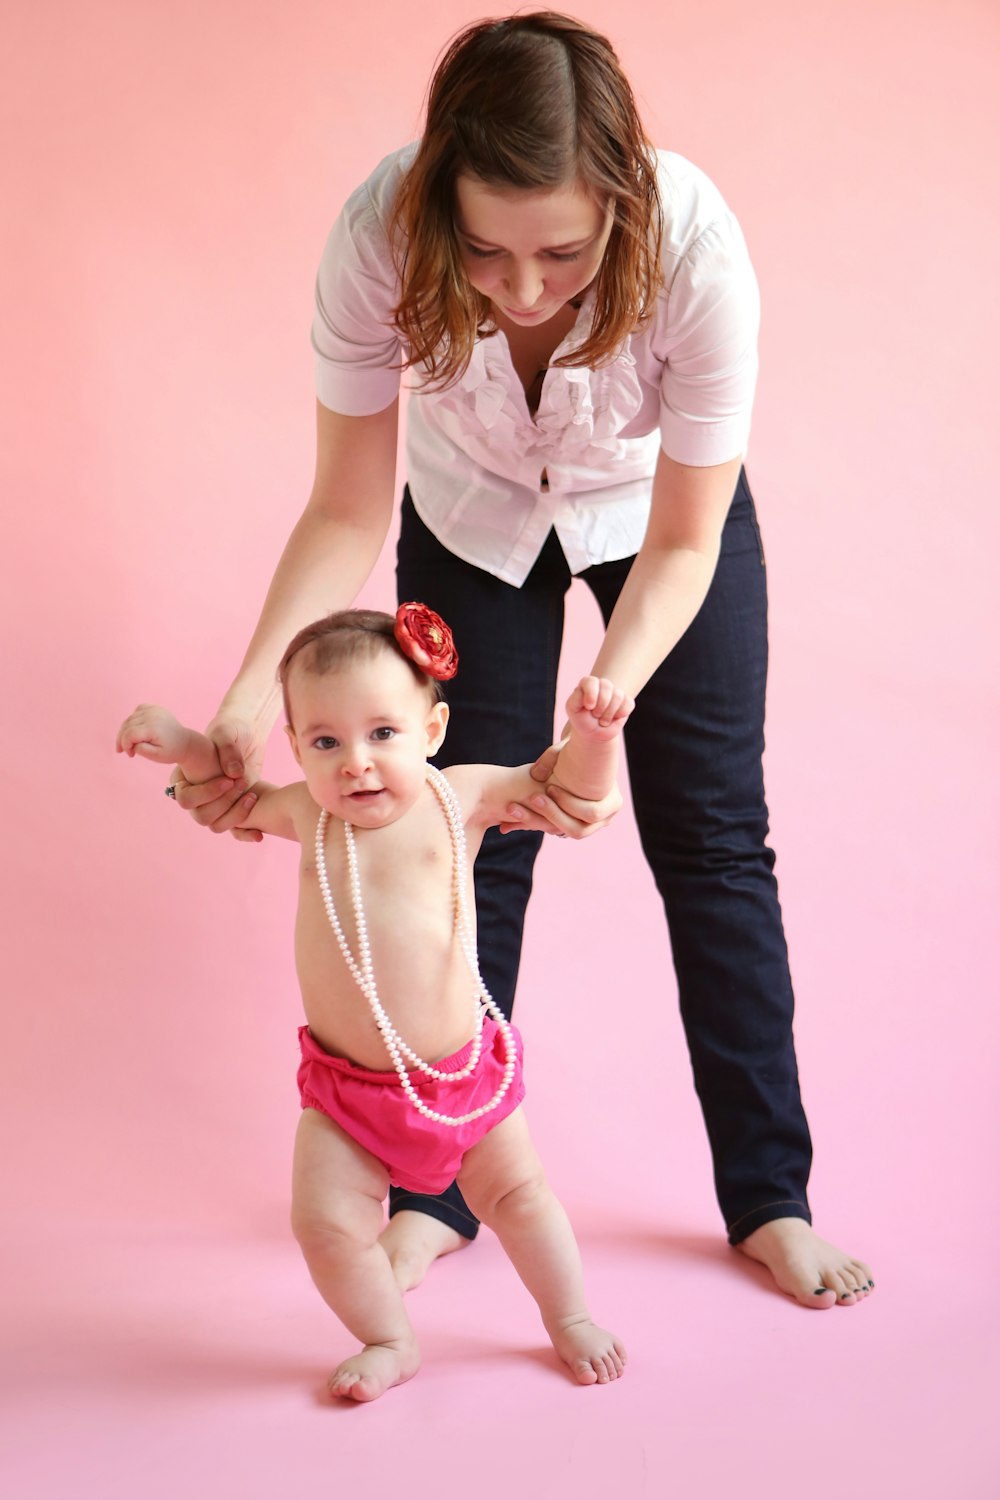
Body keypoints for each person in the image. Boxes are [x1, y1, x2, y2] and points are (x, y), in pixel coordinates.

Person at [168, 13, 873, 1308]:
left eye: (563, 250)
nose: (525, 286)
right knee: (456, 843)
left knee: (714, 837)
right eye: (485, 252)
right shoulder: (377, 235)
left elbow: (687, 537)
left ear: (621, 199)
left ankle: (771, 1198)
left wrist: (615, 682)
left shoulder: (701, 250)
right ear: (441, 201)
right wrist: (244, 692)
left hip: (654, 518)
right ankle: (441, 1194)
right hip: (471, 514)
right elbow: (344, 506)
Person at [117, 606, 632, 1398]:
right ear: (297, 748)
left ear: (433, 728)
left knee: (523, 1200)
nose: (356, 762)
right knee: (324, 1228)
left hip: (460, 1079)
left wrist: (595, 742)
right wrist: (188, 746)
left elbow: (561, 787)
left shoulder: (457, 796)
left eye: (382, 734)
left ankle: (570, 1320)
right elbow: (228, 794)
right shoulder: (305, 811)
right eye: (326, 742)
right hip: (347, 1096)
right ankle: (390, 1339)